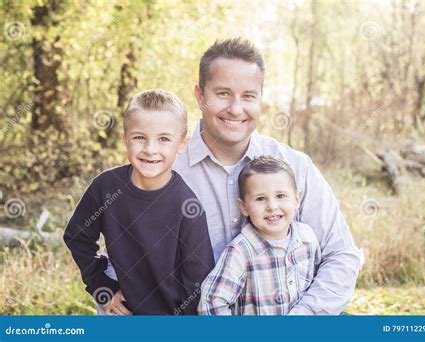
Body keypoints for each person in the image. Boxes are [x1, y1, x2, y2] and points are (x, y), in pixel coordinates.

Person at [105, 38, 360, 315]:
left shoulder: (295, 168)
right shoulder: (162, 169)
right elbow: (122, 259)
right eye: (223, 93)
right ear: (200, 96)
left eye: (248, 96)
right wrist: (105, 291)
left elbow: (341, 256)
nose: (236, 109)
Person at [63, 89, 215, 315]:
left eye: (163, 139)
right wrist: (101, 288)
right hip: (120, 313)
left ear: (182, 144)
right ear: (125, 139)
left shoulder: (188, 207)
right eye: (139, 137)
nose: (150, 149)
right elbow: (77, 236)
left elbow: (198, 279)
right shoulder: (106, 187)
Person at [198, 156, 321, 315]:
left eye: (280, 196)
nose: (272, 206)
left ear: (297, 199)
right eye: (260, 199)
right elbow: (212, 302)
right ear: (244, 207)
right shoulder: (240, 252)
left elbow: (316, 282)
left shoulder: (307, 238)